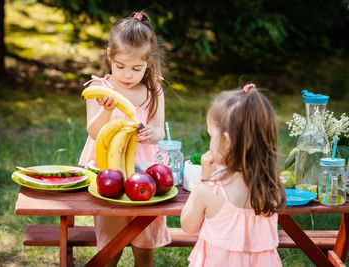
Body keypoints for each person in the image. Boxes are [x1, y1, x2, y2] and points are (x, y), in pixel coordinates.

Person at [78, 11, 170, 267]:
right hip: (108, 170)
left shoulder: (154, 90)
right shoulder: (99, 89)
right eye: (120, 66)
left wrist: (153, 133)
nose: (127, 74)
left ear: (148, 63)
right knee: (112, 243)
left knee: (144, 241)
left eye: (136, 68)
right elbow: (95, 133)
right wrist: (106, 109)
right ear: (109, 56)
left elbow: (159, 129)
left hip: (144, 170)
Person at [181, 84, 286, 266]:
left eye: (211, 135)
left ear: (228, 141)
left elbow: (188, 226)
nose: (211, 142)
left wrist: (202, 179)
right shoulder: (273, 186)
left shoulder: (209, 190)